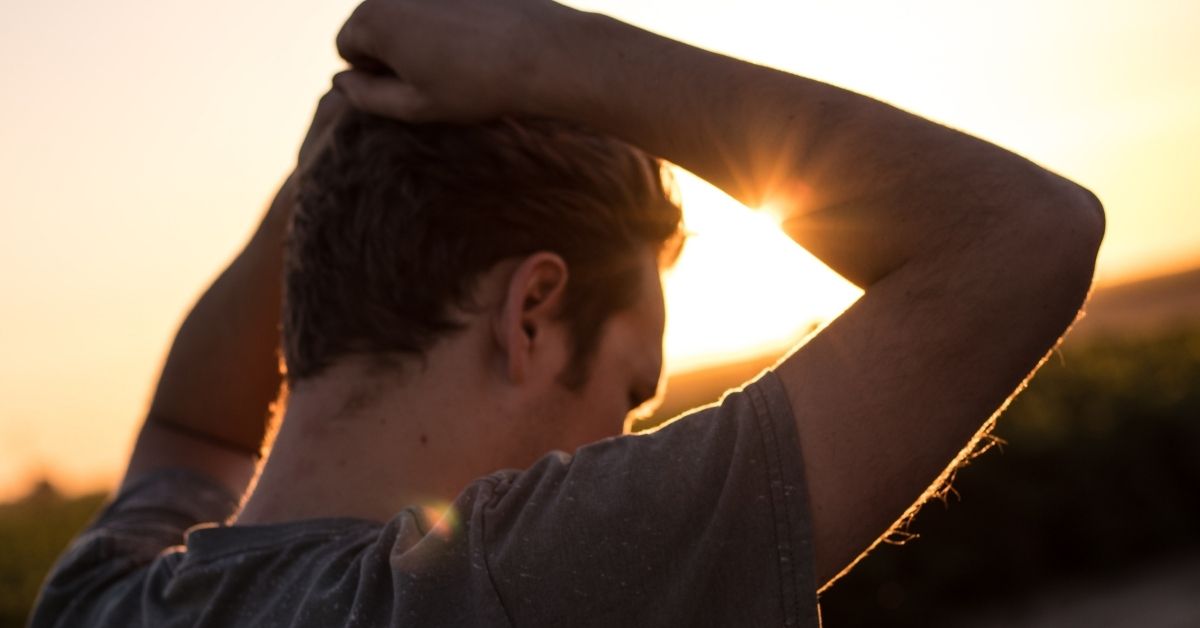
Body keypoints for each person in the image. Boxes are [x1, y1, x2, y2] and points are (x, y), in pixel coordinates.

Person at [31, 0, 1104, 626]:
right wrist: (537, 49)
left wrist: (332, 157)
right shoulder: (506, 590)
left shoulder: (104, 594)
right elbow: (1022, 237)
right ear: (532, 311)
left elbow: (192, 428)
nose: (623, 438)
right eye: (632, 392)